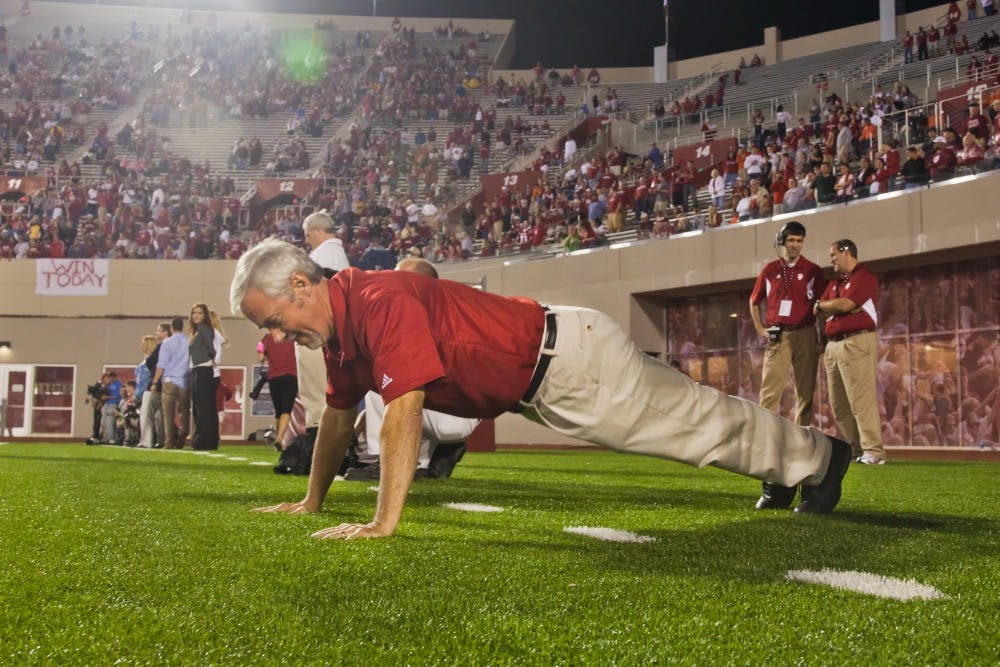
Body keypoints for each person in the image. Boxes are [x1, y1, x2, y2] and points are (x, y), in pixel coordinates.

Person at [232, 240, 852, 541]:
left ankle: (820, 459)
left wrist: (382, 523)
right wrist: (313, 501)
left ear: (300, 283)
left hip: (569, 362)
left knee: (695, 426)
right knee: (695, 421)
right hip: (552, 374)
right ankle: (793, 461)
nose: (276, 334)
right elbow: (339, 419)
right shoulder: (342, 333)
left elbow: (405, 406)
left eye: (272, 319)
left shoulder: (374, 298)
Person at [749, 222, 827, 509]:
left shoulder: (813, 270)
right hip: (778, 334)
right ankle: (767, 440)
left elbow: (821, 305)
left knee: (805, 392)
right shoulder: (769, 270)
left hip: (805, 332)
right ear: (782, 240)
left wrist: (820, 337)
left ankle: (800, 440)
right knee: (770, 392)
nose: (795, 245)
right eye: (791, 240)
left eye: (800, 240)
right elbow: (754, 300)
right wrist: (760, 330)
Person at [815, 240, 885, 465]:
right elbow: (821, 306)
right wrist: (829, 305)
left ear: (846, 252)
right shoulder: (836, 282)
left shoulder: (864, 276)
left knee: (860, 399)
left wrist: (831, 305)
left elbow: (844, 305)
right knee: (839, 403)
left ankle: (873, 450)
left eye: (833, 254)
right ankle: (854, 450)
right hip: (833, 345)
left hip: (856, 341)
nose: (831, 259)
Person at [152, 317, 190, 449]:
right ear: (182, 327)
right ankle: (183, 434)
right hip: (185, 381)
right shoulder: (188, 341)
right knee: (184, 411)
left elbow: (161, 365)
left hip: (169, 381)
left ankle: (169, 442)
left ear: (172, 328)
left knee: (168, 414)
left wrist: (154, 382)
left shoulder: (167, 343)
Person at [258, 330, 298, 450]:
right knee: (286, 410)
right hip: (291, 376)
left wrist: (263, 350)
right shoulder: (293, 336)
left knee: (278, 411)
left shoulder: (266, 338)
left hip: (274, 378)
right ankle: (280, 438)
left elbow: (260, 358)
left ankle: (278, 438)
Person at [188, 303, 219, 450]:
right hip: (198, 370)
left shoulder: (203, 328)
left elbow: (211, 348)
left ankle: (203, 441)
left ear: (205, 315)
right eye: (194, 313)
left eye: (199, 313)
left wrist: (212, 357)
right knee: (203, 407)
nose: (196, 316)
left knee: (203, 408)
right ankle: (207, 441)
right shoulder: (197, 331)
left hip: (203, 371)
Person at [139, 323, 169, 448]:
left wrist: (154, 383)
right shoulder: (169, 347)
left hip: (154, 385)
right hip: (165, 385)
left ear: (165, 332)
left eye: (159, 331)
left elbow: (152, 365)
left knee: (147, 414)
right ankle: (162, 441)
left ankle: (147, 441)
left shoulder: (162, 347)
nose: (157, 333)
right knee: (161, 416)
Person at [100, 371, 122, 444]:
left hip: (114, 403)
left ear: (115, 377)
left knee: (110, 421)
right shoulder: (107, 384)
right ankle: (105, 438)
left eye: (112, 376)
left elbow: (118, 395)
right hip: (106, 404)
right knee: (103, 421)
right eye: (110, 376)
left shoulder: (118, 384)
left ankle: (112, 438)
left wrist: (109, 397)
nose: (111, 378)